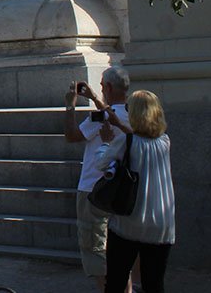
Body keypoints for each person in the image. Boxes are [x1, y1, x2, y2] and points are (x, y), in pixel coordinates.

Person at [97, 90, 176, 293]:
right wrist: (120, 125)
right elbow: (137, 138)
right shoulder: (164, 142)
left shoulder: (125, 142)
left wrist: (105, 142)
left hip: (129, 222)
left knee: (116, 280)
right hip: (161, 223)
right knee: (154, 284)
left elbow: (101, 164)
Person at [64, 67, 131, 291]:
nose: (100, 89)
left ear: (109, 88)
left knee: (98, 257)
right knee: (121, 257)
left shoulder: (101, 118)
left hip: (94, 191)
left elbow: (72, 136)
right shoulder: (131, 116)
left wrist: (70, 106)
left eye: (102, 86)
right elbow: (113, 115)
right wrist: (93, 97)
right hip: (123, 192)